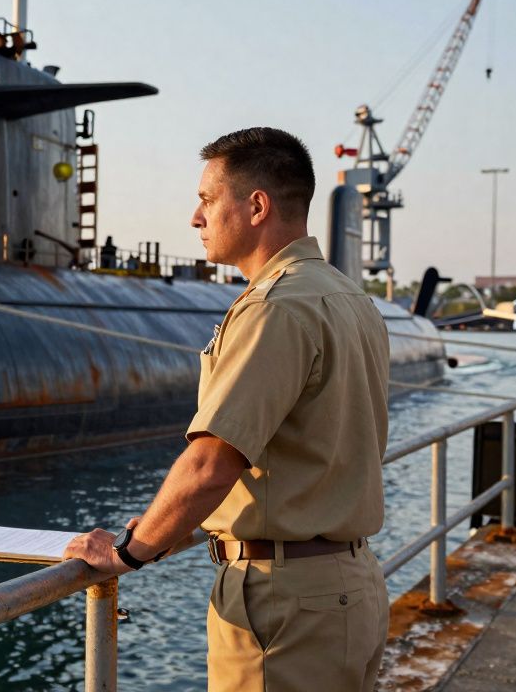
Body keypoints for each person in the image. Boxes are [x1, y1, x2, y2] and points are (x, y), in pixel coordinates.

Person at [63, 127, 390, 691]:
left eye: (208, 200)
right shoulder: (349, 298)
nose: (196, 217)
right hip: (350, 585)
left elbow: (212, 463)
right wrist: (166, 523)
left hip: (285, 606)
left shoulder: (275, 309)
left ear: (257, 206)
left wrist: (130, 552)